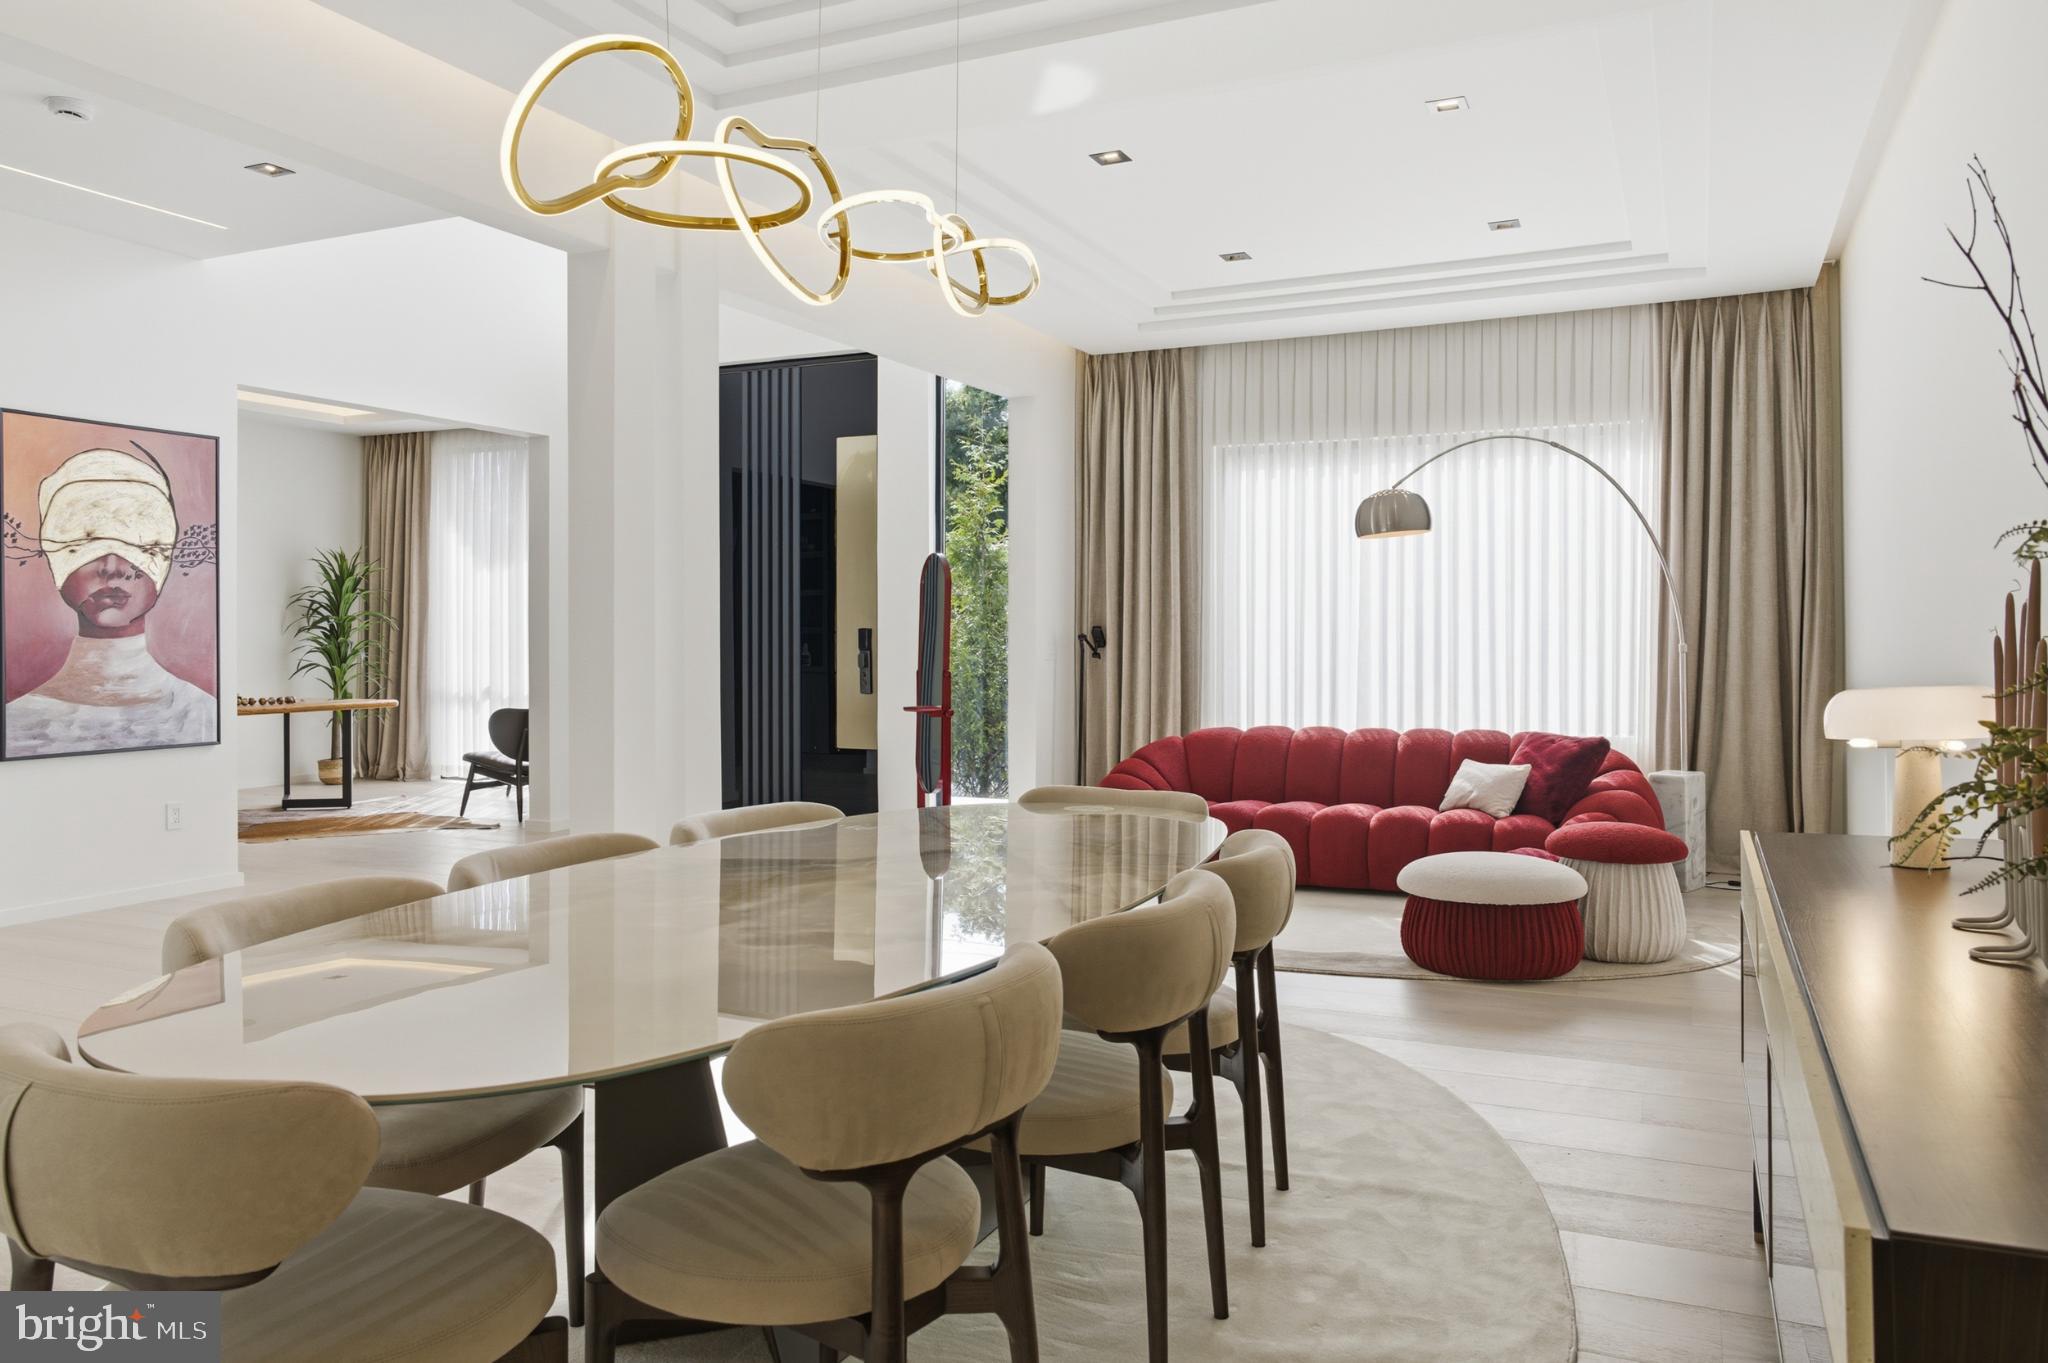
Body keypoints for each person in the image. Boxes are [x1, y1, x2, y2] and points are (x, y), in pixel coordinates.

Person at [4, 447, 214, 756]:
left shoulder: (204, 716)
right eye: (82, 542)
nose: (112, 567)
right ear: (51, 556)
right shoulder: (15, 724)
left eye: (143, 542)